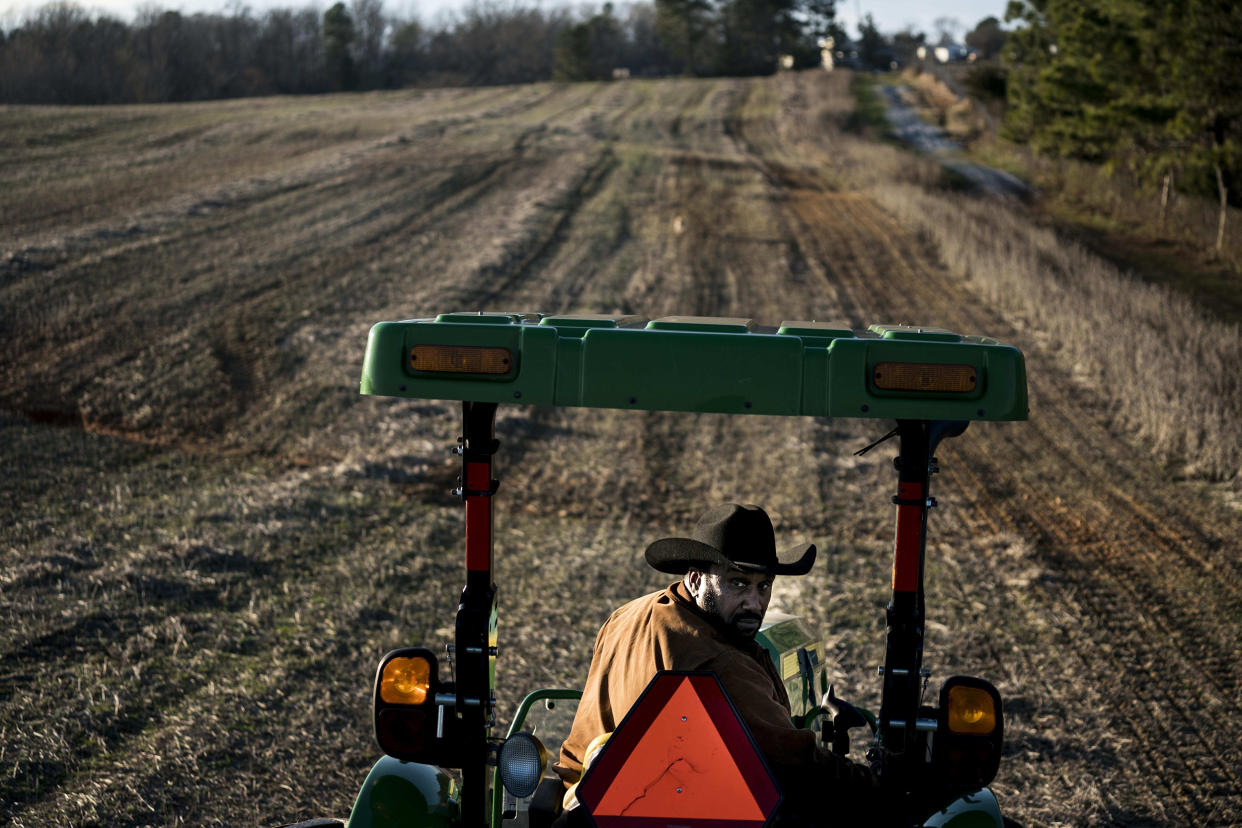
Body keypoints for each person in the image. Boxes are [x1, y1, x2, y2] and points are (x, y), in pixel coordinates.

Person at [553, 503, 880, 824]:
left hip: (589, 805)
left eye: (763, 586)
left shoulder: (624, 617)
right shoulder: (720, 661)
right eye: (737, 583)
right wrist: (878, 783)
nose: (754, 604)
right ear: (695, 580)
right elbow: (794, 764)